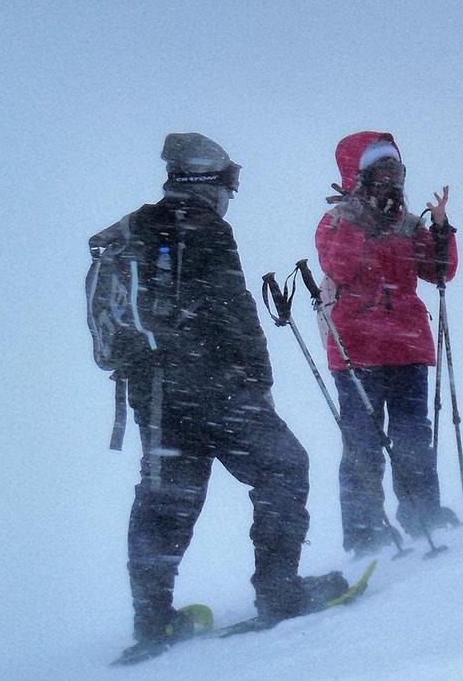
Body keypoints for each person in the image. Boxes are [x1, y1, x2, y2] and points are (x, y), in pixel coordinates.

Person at [115, 133, 344, 659]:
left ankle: (152, 621)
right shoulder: (206, 229)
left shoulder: (140, 230)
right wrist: (257, 382)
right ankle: (279, 592)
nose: (229, 194)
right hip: (212, 385)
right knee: (285, 466)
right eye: (227, 183)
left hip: (152, 389)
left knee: (167, 496)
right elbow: (232, 313)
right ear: (207, 180)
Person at [315, 131, 459, 557]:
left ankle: (421, 515)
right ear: (358, 176)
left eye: (394, 171)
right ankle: (364, 533)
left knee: (413, 434)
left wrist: (440, 228)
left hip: (406, 346)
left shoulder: (408, 222)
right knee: (364, 441)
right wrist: (363, 221)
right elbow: (338, 268)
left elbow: (439, 272)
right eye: (379, 172)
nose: (389, 180)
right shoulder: (338, 221)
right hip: (358, 348)